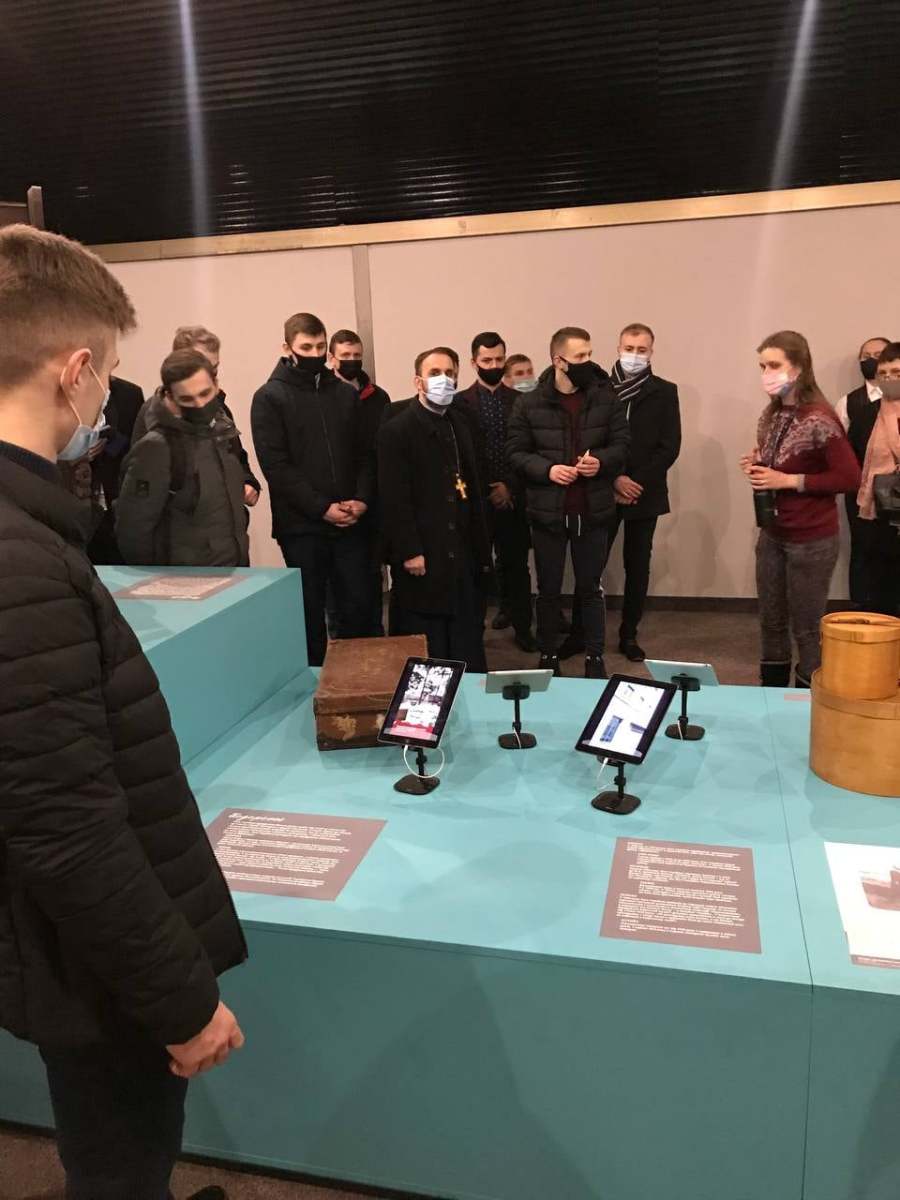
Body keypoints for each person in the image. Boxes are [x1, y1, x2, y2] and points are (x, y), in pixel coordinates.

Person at [0, 224, 245, 1200]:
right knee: (119, 1161)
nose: (104, 400)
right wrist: (182, 1003)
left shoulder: (28, 532)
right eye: (104, 375)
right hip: (93, 972)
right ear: (76, 370)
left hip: (76, 954)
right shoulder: (20, 561)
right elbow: (67, 829)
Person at [251, 312, 373, 666]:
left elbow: (365, 453)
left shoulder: (344, 393)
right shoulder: (269, 397)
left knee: (359, 609)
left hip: (350, 520)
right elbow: (276, 467)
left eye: (321, 347)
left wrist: (362, 499)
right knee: (309, 616)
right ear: (287, 348)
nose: (315, 354)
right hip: (302, 526)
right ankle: (313, 684)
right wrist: (322, 508)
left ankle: (359, 682)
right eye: (307, 347)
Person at [507, 326, 629, 678]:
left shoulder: (606, 398)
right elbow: (516, 452)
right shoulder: (529, 402)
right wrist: (547, 470)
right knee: (548, 589)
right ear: (558, 360)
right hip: (548, 510)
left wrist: (601, 462)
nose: (588, 362)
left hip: (592, 510)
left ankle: (595, 658)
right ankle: (548, 656)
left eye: (590, 354)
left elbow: (622, 444)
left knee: (591, 588)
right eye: (580, 357)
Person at [741, 330, 860, 688]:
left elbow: (849, 477)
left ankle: (808, 698)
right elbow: (782, 461)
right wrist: (759, 464)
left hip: (812, 538)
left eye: (774, 365)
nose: (766, 373)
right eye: (762, 366)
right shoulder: (773, 414)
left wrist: (788, 480)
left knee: (806, 626)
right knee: (771, 620)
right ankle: (771, 693)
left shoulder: (820, 417)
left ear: (798, 368)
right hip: (773, 532)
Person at [378, 347, 491, 668]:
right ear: (418, 382)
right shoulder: (397, 430)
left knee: (464, 636)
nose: (444, 379)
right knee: (428, 642)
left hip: (460, 548)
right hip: (422, 552)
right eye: (435, 373)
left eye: (450, 373)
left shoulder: (460, 422)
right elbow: (394, 498)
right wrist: (410, 550)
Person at [116, 349, 251, 568]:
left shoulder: (222, 431)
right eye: (187, 399)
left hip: (234, 571)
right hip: (184, 580)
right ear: (170, 398)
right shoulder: (157, 447)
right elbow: (133, 530)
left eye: (205, 394)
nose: (200, 405)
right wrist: (163, 581)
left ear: (216, 385)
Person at [604, 323, 681, 661]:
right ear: (618, 348)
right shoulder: (600, 388)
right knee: (591, 564)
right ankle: (581, 631)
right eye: (629, 349)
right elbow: (589, 438)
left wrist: (634, 483)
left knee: (637, 565)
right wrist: (615, 478)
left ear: (651, 351)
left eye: (641, 350)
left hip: (644, 491)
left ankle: (629, 634)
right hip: (604, 487)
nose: (634, 355)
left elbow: (669, 446)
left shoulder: (664, 391)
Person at [456, 332, 536, 652]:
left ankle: (523, 628)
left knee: (517, 566)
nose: (493, 365)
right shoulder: (459, 403)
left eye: (499, 359)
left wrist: (509, 487)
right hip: (475, 500)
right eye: (486, 360)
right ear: (474, 362)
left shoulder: (521, 401)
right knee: (476, 567)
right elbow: (461, 454)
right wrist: (486, 489)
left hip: (513, 496)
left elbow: (528, 448)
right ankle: (473, 631)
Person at [133, 325, 262, 511]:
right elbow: (142, 487)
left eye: (215, 369)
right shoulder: (154, 414)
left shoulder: (220, 408)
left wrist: (248, 482)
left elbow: (236, 456)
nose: (211, 378)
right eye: (203, 368)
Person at [327, 328, 391, 636]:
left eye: (356, 355)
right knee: (338, 582)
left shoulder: (378, 397)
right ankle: (341, 640)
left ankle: (375, 634)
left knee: (371, 574)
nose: (352, 360)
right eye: (345, 356)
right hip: (336, 504)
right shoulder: (322, 396)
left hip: (372, 500)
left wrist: (366, 498)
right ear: (332, 358)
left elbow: (381, 449)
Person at [57, 373, 146, 564]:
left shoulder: (128, 394)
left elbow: (135, 448)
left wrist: (109, 443)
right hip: (69, 502)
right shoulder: (56, 392)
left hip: (112, 503)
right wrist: (74, 453)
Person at [834, 336, 891, 608]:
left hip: (895, 491)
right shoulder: (849, 403)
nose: (872, 361)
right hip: (861, 491)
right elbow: (838, 448)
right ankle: (862, 607)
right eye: (866, 356)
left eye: (879, 355)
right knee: (863, 548)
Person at [855, 343, 900, 616]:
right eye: (883, 373)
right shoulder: (867, 413)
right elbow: (853, 457)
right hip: (878, 513)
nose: (889, 378)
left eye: (897, 372)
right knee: (883, 587)